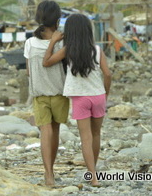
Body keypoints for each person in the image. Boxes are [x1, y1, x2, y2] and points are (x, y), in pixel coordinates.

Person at [43, 13, 112, 187]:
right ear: (88, 31)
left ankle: (93, 177)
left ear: (70, 32)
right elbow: (108, 74)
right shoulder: (97, 50)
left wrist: (52, 41)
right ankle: (93, 173)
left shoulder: (68, 50)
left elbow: (47, 62)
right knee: (96, 135)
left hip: (80, 98)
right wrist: (106, 93)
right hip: (98, 96)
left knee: (86, 138)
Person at [24, 0, 69, 186]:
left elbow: (28, 71)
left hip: (39, 94)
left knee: (45, 132)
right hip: (59, 92)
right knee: (55, 131)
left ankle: (48, 174)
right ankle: (51, 170)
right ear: (57, 19)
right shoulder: (63, 42)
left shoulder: (30, 43)